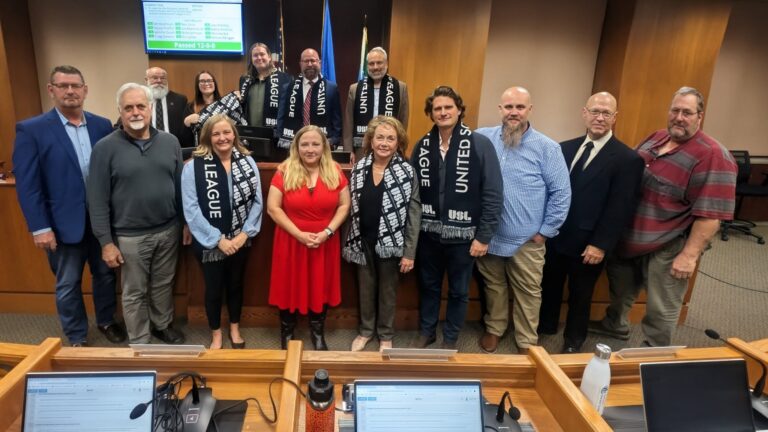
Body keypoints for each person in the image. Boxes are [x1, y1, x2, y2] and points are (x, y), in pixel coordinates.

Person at [588, 87, 737, 347]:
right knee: (621, 290)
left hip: (668, 244)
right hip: (630, 236)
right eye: (675, 110)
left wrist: (689, 256)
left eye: (687, 113)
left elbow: (712, 215)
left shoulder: (713, 156)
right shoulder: (656, 138)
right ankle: (615, 324)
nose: (679, 117)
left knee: (661, 305)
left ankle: (655, 351)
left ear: (699, 117)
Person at [12, 65, 125, 347]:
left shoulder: (101, 125)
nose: (70, 91)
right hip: (62, 224)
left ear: (85, 90)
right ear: (52, 90)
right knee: (68, 283)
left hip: (101, 222)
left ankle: (106, 320)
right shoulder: (32, 130)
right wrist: (40, 227)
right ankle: (76, 335)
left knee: (104, 275)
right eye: (63, 86)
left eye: (75, 85)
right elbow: (28, 184)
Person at [538, 92, 644, 353]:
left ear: (615, 118)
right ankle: (545, 328)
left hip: (589, 244)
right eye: (595, 111)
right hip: (555, 235)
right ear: (584, 113)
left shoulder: (627, 159)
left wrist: (600, 245)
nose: (599, 117)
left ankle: (573, 342)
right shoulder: (563, 148)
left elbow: (619, 209)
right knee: (548, 286)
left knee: (580, 295)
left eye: (606, 113)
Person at [474, 86, 571, 355]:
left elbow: (561, 193)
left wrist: (545, 231)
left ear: (530, 110)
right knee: (493, 286)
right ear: (500, 109)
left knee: (528, 292)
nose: (513, 112)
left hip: (527, 240)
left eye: (519, 107)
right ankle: (494, 328)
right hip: (489, 236)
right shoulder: (482, 138)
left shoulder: (547, 148)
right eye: (508, 107)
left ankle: (527, 340)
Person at [87, 82, 186, 345]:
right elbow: (96, 200)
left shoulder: (170, 142)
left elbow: (178, 187)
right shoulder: (104, 148)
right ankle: (140, 339)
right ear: (119, 111)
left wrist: (184, 224)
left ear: (150, 108)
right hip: (130, 236)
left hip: (168, 229)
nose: (135, 112)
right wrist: (106, 243)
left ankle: (161, 325)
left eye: (141, 105)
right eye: (128, 107)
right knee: (134, 292)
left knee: (163, 284)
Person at [410, 86, 503, 350]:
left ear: (459, 110)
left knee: (459, 291)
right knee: (428, 286)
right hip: (429, 235)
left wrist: (484, 236)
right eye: (437, 108)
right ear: (431, 113)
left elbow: (493, 193)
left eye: (448, 107)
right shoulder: (422, 145)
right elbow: (414, 192)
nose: (443, 112)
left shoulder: (479, 144)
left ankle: (450, 338)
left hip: (464, 237)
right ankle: (427, 331)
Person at [181, 114, 262, 349]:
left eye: (226, 132)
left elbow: (258, 201)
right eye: (216, 133)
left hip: (241, 239)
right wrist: (218, 240)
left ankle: (235, 328)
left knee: (236, 285)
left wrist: (244, 234)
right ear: (207, 137)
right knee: (214, 288)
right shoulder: (194, 166)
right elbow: (191, 208)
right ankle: (216, 333)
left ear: (234, 134)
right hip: (209, 243)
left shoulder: (248, 162)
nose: (222, 138)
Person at [267, 125, 350, 350]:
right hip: (291, 240)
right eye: (305, 144)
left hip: (325, 241)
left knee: (320, 285)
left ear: (324, 147)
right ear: (297, 147)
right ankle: (287, 333)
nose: (310, 149)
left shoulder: (334, 170)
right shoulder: (284, 170)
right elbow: (273, 208)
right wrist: (300, 235)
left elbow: (344, 206)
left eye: (315, 144)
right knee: (288, 285)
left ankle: (317, 333)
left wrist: (327, 232)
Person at [342, 116, 421, 352]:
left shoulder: (407, 171)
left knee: (388, 291)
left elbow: (414, 213)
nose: (384, 143)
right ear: (371, 141)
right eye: (380, 137)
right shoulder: (359, 168)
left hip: (392, 243)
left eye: (390, 138)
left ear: (398, 143)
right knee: (365, 290)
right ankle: (366, 331)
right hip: (362, 239)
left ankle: (385, 334)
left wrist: (409, 252)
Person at [342, 47, 409, 162]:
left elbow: (403, 121)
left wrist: (400, 147)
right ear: (367, 66)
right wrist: (348, 151)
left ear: (386, 64)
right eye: (371, 64)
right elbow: (348, 122)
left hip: (389, 148)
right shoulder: (355, 88)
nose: (375, 67)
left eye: (379, 63)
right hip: (361, 149)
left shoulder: (400, 87)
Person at [276, 49, 342, 150]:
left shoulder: (331, 88)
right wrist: (280, 136)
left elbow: (336, 119)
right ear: (300, 64)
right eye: (306, 61)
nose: (310, 64)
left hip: (322, 145)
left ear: (319, 63)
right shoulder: (288, 88)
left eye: (313, 60)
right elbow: (281, 117)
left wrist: (334, 140)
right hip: (294, 144)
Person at [239, 42, 293, 129]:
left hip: (274, 133)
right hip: (249, 133)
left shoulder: (285, 79)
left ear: (269, 57)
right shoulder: (245, 80)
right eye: (255, 55)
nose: (259, 58)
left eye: (262, 54)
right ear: (251, 59)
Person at [145, 66, 188, 145]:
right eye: (155, 78)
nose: (159, 81)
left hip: (173, 145)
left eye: (163, 78)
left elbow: (185, 128)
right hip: (148, 145)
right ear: (146, 80)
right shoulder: (141, 100)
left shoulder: (180, 100)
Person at [181, 71, 222, 148]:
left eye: (209, 80)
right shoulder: (190, 107)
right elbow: (183, 139)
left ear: (214, 83)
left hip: (222, 147)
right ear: (198, 85)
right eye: (202, 81)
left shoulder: (225, 104)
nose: (206, 83)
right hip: (200, 150)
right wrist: (186, 125)